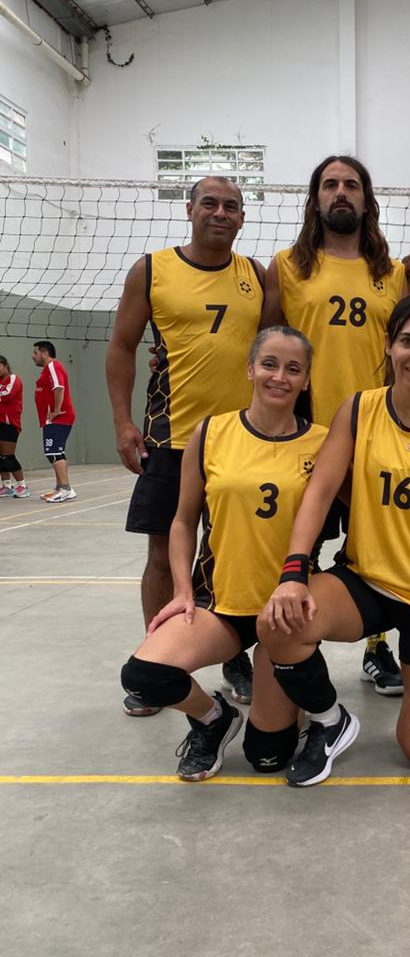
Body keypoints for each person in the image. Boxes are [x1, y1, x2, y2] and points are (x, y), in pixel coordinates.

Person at [258, 294, 410, 784]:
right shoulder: (359, 409)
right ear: (389, 345)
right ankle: (329, 721)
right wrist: (293, 573)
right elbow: (319, 492)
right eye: (407, 341)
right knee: (278, 625)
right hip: (363, 580)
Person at [119, 327, 327, 781]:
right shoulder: (212, 431)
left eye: (293, 369)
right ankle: (214, 718)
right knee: (144, 676)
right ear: (250, 368)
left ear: (307, 380)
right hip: (219, 603)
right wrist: (181, 591)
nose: (279, 376)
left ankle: (287, 689)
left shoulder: (324, 443)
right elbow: (182, 521)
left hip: (283, 614)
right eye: (269, 364)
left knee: (267, 757)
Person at [106, 176, 263, 714]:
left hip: (241, 442)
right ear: (189, 209)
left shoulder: (256, 275)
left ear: (242, 217)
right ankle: (159, 660)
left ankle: (235, 656)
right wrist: (123, 421)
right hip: (170, 437)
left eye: (231, 206)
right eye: (210, 203)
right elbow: (122, 345)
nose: (221, 213)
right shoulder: (152, 270)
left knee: (235, 558)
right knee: (162, 554)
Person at [263, 155, 407, 694]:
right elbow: (265, 349)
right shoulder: (286, 266)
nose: (340, 192)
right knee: (295, 549)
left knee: (376, 552)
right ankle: (281, 645)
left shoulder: (393, 272)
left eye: (351, 184)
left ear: (367, 200)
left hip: (375, 435)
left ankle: (377, 648)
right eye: (330, 184)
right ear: (315, 198)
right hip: (306, 438)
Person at [31, 340, 76, 502]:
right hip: (53, 419)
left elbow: (59, 387)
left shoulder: (53, 366)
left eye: (35, 353)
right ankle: (60, 487)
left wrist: (56, 410)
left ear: (44, 353)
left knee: (53, 453)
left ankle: (66, 489)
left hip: (58, 418)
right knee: (57, 452)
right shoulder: (49, 369)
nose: (33, 356)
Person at [0, 354, 28, 497]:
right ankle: (6, 486)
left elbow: (7, 394)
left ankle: (22, 486)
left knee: (8, 456)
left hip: (9, 424)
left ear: (5, 365)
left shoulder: (13, 379)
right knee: (0, 457)